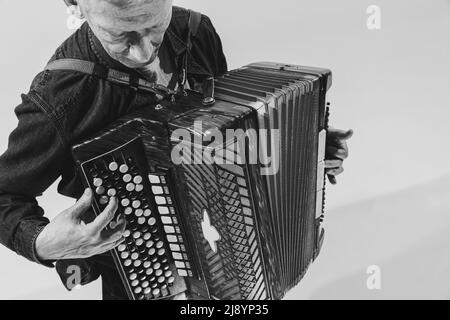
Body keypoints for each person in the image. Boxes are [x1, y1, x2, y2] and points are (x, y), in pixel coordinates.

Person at [0, 0, 352, 300]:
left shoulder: (197, 33)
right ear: (73, 4)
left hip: (224, 260)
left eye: (154, 26)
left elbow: (224, 131)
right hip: (141, 277)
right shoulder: (59, 97)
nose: (143, 52)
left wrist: (302, 143)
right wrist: (42, 243)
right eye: (120, 35)